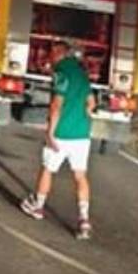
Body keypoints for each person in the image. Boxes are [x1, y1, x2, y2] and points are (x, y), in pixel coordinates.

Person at [20, 40, 96, 239]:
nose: (50, 58)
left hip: (62, 133)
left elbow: (56, 105)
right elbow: (91, 103)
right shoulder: (82, 74)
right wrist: (84, 114)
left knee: (48, 169)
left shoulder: (61, 73)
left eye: (52, 53)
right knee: (80, 176)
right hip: (82, 134)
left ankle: (38, 206)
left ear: (59, 54)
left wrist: (50, 132)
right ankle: (84, 219)